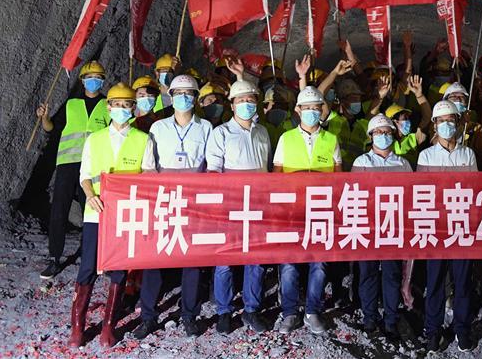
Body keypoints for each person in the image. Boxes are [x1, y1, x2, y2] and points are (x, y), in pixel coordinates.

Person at [68, 82, 155, 348]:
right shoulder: (94, 139)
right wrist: (90, 195)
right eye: (116, 105)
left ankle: (108, 327)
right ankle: (78, 327)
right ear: (109, 107)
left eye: (125, 105)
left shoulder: (143, 139)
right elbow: (84, 176)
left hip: (124, 215)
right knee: (87, 268)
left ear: (133, 108)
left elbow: (149, 175)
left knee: (118, 269)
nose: (120, 109)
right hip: (96, 212)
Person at [135, 75, 213, 339]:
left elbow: (211, 167)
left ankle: (189, 315)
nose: (183, 97)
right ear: (170, 95)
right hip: (164, 199)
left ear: (196, 96)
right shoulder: (158, 128)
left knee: (191, 260)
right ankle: (148, 316)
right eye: (178, 92)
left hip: (193, 201)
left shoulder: (206, 128)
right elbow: (148, 165)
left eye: (189, 93)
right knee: (154, 258)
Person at [273, 86, 341, 335]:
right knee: (289, 264)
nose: (312, 112)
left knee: (319, 264)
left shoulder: (331, 139)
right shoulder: (286, 138)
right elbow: (277, 176)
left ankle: (313, 311)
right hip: (291, 211)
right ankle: (290, 312)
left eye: (317, 108)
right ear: (298, 110)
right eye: (308, 108)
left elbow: (338, 178)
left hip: (321, 210)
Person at [206, 80, 272, 334]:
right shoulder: (221, 133)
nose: (246, 104)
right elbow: (213, 171)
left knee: (256, 259)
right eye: (241, 100)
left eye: (250, 100)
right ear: (232, 104)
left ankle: (251, 309)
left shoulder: (262, 132)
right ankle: (224, 311)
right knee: (225, 259)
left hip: (258, 204)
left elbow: (264, 170)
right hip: (230, 205)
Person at [36, 60, 111, 280]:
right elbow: (52, 128)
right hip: (68, 164)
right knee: (59, 210)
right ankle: (54, 258)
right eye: (90, 77)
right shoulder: (71, 105)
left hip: (93, 167)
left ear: (103, 81)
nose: (93, 81)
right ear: (82, 80)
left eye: (98, 77)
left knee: (94, 212)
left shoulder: (107, 106)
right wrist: (44, 117)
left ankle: (95, 258)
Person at [417, 100, 479, 352]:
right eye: (441, 121)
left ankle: (462, 329)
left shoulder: (468, 154)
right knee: (435, 283)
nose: (446, 125)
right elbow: (421, 193)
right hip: (436, 227)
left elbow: (474, 191)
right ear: (434, 124)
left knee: (462, 283)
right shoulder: (426, 155)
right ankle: (433, 331)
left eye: (451, 120)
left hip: (461, 226)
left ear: (458, 123)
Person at [353, 114, 413, 342]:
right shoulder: (361, 163)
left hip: (393, 227)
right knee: (367, 273)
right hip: (367, 226)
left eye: (387, 132)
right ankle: (369, 317)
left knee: (391, 275)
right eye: (378, 133)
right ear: (370, 137)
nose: (383, 136)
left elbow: (410, 195)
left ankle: (390, 319)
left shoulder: (403, 163)